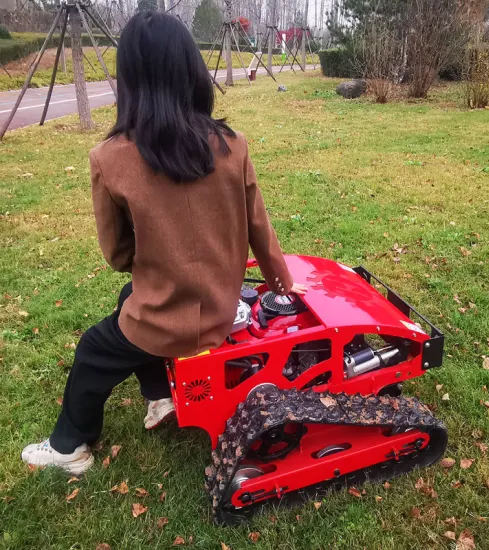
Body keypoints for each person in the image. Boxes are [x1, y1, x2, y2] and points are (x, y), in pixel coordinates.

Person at [21, 12, 306, 475]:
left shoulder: (109, 157)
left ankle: (69, 446)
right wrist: (280, 283)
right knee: (128, 302)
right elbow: (261, 231)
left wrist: (158, 256)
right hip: (220, 306)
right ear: (191, 70)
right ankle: (159, 397)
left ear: (130, 78)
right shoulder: (233, 145)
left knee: (95, 350)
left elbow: (117, 255)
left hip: (166, 316)